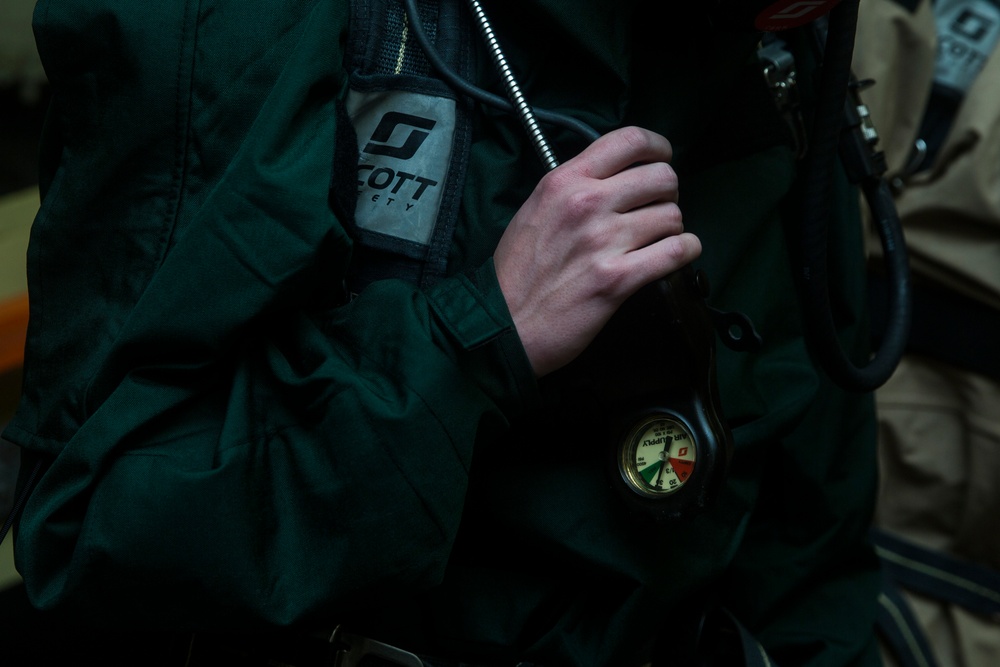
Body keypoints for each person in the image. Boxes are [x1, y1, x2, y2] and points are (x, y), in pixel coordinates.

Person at [3, 0, 883, 665]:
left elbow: (810, 539)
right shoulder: (256, 25)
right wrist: (476, 339)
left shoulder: (778, 40)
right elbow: (97, 524)